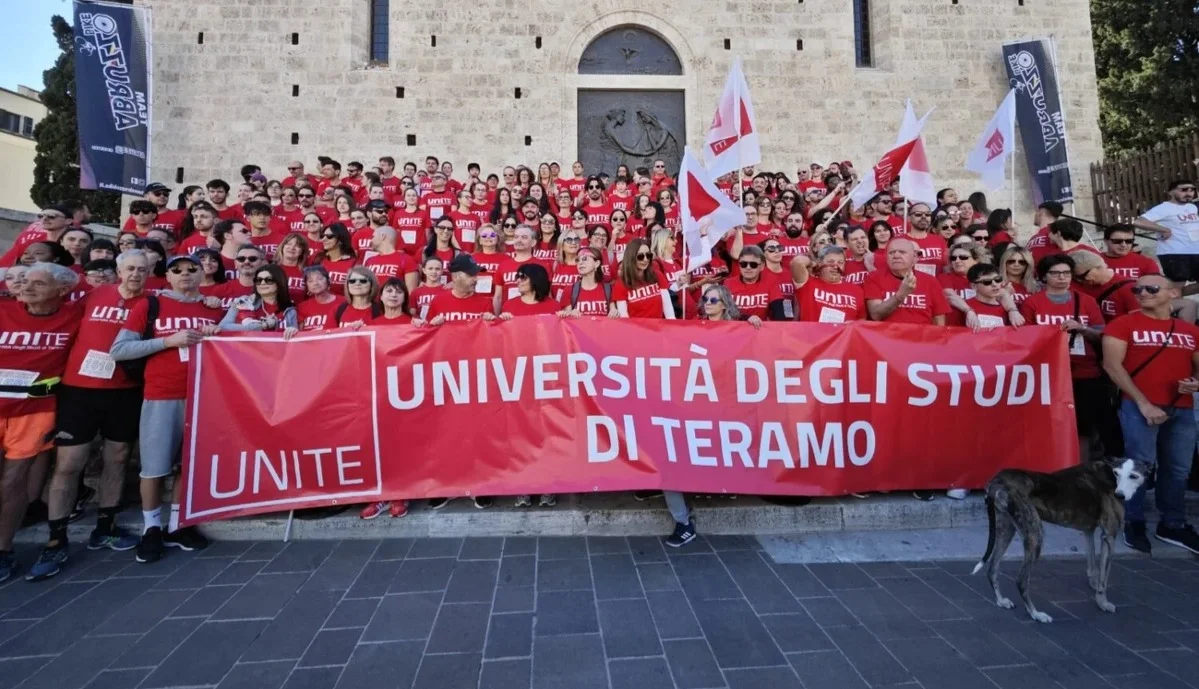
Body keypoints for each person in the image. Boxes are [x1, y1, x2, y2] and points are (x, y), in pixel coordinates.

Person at [25, 252, 154, 580]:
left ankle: (106, 527)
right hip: (79, 390)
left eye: (142, 269)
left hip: (125, 390)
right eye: (130, 269)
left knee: (119, 457)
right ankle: (56, 539)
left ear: (150, 272)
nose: (135, 274)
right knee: (69, 464)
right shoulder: (93, 295)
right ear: (118, 271)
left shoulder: (154, 303)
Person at [108, 254, 221, 563]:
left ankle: (177, 525)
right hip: (161, 395)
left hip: (204, 398)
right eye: (177, 270)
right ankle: (151, 529)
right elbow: (119, 350)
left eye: (191, 269)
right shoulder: (150, 306)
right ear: (167, 277)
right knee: (155, 467)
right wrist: (168, 342)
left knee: (189, 465)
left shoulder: (213, 308)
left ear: (202, 275)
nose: (184, 274)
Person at [1103, 273, 1199, 555]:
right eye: (1138, 289)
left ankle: (1173, 524)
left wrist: (1195, 382)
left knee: (1178, 469)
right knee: (1138, 466)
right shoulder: (1123, 324)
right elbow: (1112, 367)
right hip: (1138, 407)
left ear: (1172, 294)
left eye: (1152, 288)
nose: (1143, 292)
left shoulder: (1188, 329)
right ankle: (1133, 521)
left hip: (1180, 407)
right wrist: (1143, 403)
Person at [0, 263, 81, 581]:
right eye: (25, 282)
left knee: (12, 482)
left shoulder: (75, 314)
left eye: (38, 283)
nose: (27, 287)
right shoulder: (4, 309)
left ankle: (4, 551)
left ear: (61, 290)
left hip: (34, 410)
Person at [1020, 254, 1109, 463]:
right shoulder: (1033, 303)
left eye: (1066, 273)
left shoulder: (1086, 301)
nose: (1062, 277)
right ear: (1044, 276)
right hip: (1048, 373)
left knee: (1084, 426)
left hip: (1085, 372)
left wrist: (1082, 329)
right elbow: (1025, 340)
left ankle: (1081, 473)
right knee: (1046, 425)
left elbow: (1102, 336)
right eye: (1055, 273)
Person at [863, 238, 950, 326]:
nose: (896, 255)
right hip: (887, 337)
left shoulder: (930, 281)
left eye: (902, 252)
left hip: (921, 338)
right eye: (891, 252)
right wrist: (900, 295)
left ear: (914, 257)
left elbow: (939, 321)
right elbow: (876, 315)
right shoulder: (874, 277)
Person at [1134, 180, 1197, 283]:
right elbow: (1139, 222)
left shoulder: (1192, 207)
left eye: (1192, 190)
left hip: (1195, 251)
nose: (1188, 193)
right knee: (1178, 285)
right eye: (1184, 190)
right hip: (1174, 253)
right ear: (1171, 192)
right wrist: (1164, 229)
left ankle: (1168, 295)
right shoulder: (1164, 208)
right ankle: (1169, 297)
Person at [791, 246, 867, 322]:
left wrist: (853, 324)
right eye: (831, 262)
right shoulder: (808, 283)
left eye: (840, 262)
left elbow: (862, 321)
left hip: (844, 333)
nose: (835, 266)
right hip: (813, 333)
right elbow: (798, 262)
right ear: (820, 263)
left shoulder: (856, 290)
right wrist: (814, 264)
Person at [220, 264, 298, 333]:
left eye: (269, 280)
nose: (262, 283)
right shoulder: (243, 301)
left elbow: (292, 341)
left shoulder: (289, 310)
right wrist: (262, 326)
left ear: (280, 282)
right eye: (259, 280)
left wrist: (292, 331)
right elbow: (223, 327)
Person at [611, 238, 675, 319]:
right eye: (640, 256)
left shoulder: (657, 275)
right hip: (637, 330)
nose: (645, 259)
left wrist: (672, 328)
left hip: (659, 329)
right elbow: (624, 316)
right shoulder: (621, 284)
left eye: (648, 255)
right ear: (631, 257)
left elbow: (668, 309)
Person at [1071, 251, 1139, 321]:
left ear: (1099, 268)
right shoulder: (1073, 285)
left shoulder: (1130, 289)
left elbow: (1138, 321)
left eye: (1082, 276)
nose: (1080, 281)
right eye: (1074, 278)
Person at [363, 226, 419, 293]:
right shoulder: (369, 261)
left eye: (373, 237)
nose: (371, 240)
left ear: (382, 236)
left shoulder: (406, 260)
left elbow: (411, 293)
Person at [559, 248, 612, 317]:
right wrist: (570, 314)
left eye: (585, 259)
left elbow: (615, 316)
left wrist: (615, 312)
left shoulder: (609, 289)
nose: (580, 263)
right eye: (577, 260)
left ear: (597, 263)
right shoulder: (569, 290)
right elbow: (567, 322)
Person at [315, 223, 358, 294]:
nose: (324, 239)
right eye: (323, 236)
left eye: (329, 236)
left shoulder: (353, 264)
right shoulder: (318, 259)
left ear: (340, 240)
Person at [295, 266, 342, 331]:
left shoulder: (343, 303)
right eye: (310, 281)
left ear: (328, 280)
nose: (315, 283)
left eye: (319, 279)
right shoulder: (302, 307)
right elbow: (300, 334)